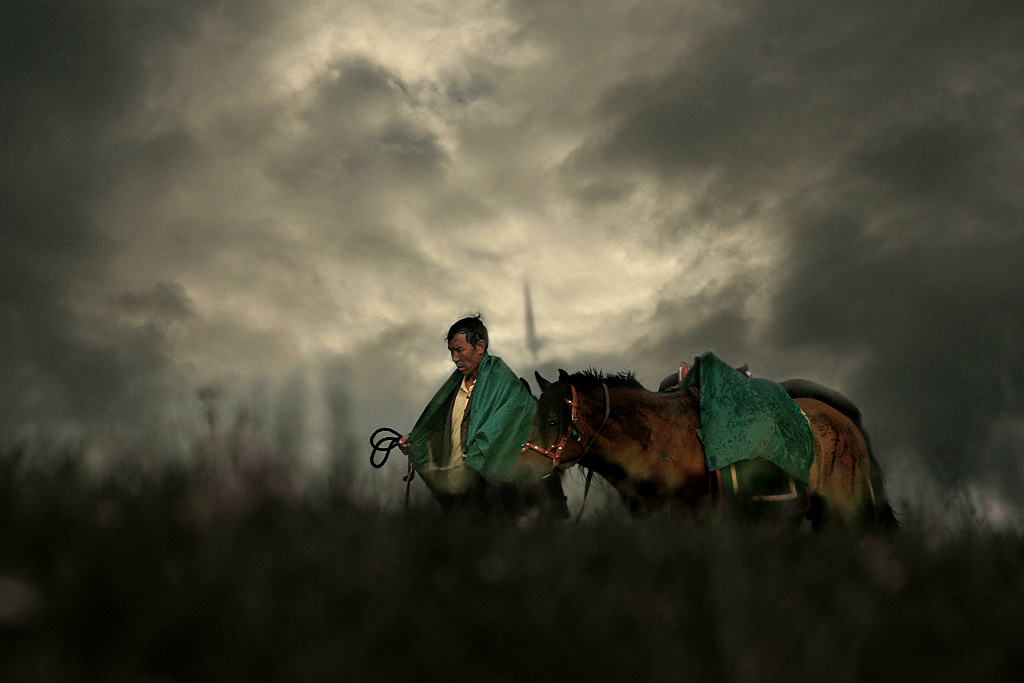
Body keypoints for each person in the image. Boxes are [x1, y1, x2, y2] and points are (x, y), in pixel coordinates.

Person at [398, 315, 567, 517]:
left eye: (459, 350)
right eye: (451, 351)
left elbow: (492, 441)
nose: (454, 358)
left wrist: (472, 466)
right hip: (457, 494)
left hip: (496, 498)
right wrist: (417, 441)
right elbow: (443, 429)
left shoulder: (507, 388)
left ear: (480, 347)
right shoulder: (455, 388)